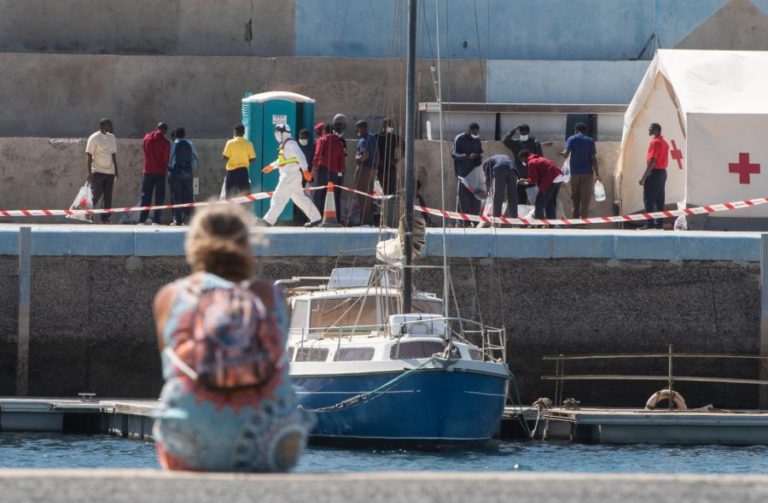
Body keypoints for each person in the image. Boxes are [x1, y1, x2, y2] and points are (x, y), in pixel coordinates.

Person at [151, 203, 313, 472]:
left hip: (188, 445)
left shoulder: (171, 297)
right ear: (248, 245)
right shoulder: (270, 296)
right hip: (271, 446)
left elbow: (170, 366)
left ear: (194, 245)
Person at [261, 124, 321, 227]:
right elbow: (283, 161)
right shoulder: (284, 144)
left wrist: (305, 170)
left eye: (278, 133)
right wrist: (271, 166)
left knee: (278, 197)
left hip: (289, 176)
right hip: (290, 175)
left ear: (283, 133)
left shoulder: (290, 143)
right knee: (300, 199)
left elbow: (301, 156)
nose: (276, 135)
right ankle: (316, 218)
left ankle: (267, 221)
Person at [562, 122, 600, 219]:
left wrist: (562, 153)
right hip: (587, 173)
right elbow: (593, 158)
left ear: (575, 130)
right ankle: (583, 222)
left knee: (575, 197)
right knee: (585, 199)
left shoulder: (572, 139)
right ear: (584, 131)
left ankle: (575, 222)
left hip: (574, 173)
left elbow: (566, 154)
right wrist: (597, 174)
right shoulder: (590, 140)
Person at [85, 118, 118, 224]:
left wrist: (116, 170)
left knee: (108, 196)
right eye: (109, 124)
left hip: (110, 172)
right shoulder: (94, 137)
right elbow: (89, 155)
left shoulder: (112, 137)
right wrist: (89, 172)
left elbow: (113, 154)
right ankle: (88, 214)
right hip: (97, 171)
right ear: (103, 125)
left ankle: (105, 218)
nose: (111, 126)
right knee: (96, 194)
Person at [639, 122, 670, 230]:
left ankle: (650, 223)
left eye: (651, 129)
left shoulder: (655, 142)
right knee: (660, 199)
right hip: (662, 173)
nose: (649, 131)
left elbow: (652, 160)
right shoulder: (665, 142)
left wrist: (644, 176)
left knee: (649, 199)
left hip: (655, 172)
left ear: (656, 130)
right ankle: (659, 224)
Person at [503, 124, 543, 205]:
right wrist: (514, 129)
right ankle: (521, 217)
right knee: (520, 201)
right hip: (519, 176)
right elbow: (505, 140)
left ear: (528, 132)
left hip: (531, 176)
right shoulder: (516, 143)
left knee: (533, 201)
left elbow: (540, 158)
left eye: (525, 133)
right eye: (522, 133)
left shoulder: (534, 142)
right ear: (519, 132)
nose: (523, 134)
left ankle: (532, 216)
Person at [518, 150, 564, 220]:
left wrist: (524, 181)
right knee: (550, 202)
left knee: (539, 202)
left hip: (550, 179)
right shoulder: (539, 158)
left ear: (524, 157)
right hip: (559, 177)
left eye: (521, 159)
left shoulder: (531, 162)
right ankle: (552, 223)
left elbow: (534, 179)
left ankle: (538, 223)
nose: (522, 162)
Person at [452, 122, 483, 224]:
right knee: (463, 200)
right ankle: (461, 222)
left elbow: (480, 153)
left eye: (477, 133)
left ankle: (474, 221)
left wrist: (477, 158)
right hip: (463, 175)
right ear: (469, 131)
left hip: (474, 175)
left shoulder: (477, 140)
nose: (476, 134)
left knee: (475, 200)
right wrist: (467, 156)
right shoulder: (459, 139)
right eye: (474, 132)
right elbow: (454, 155)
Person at [312, 123, 345, 219]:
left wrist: (314, 168)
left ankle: (316, 218)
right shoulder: (339, 143)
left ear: (324, 131)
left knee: (317, 194)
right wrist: (339, 171)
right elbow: (342, 160)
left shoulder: (322, 140)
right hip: (334, 172)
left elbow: (317, 155)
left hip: (322, 170)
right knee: (331, 195)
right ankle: (331, 219)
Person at [140, 123, 171, 225]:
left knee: (145, 196)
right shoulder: (165, 142)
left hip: (148, 171)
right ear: (165, 131)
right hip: (160, 173)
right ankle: (156, 220)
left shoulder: (147, 138)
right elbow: (166, 158)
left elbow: (144, 150)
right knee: (159, 197)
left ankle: (142, 219)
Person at [168, 127, 198, 226]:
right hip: (188, 173)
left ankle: (177, 220)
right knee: (188, 195)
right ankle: (188, 219)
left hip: (176, 173)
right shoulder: (190, 144)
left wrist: (171, 170)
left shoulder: (174, 144)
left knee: (177, 196)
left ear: (176, 135)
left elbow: (171, 159)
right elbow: (195, 159)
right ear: (184, 134)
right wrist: (189, 169)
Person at [351, 120, 378, 226]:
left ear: (361, 128)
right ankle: (369, 219)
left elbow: (365, 154)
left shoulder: (362, 140)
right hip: (372, 170)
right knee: (369, 195)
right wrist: (375, 167)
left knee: (362, 196)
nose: (356, 130)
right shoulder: (372, 137)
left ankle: (365, 221)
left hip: (364, 170)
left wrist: (357, 158)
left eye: (357, 128)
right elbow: (377, 153)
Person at [222, 124, 256, 198]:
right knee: (245, 195)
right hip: (243, 171)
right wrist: (245, 161)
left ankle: (231, 209)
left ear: (235, 132)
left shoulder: (230, 143)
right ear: (243, 133)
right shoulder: (249, 144)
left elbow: (225, 157)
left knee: (230, 195)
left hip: (232, 172)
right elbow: (253, 158)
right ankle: (245, 209)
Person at [483, 154, 520, 219]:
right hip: (512, 169)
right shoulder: (497, 158)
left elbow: (487, 178)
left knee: (499, 194)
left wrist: (487, 189)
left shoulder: (487, 163)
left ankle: (496, 216)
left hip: (500, 168)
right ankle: (514, 216)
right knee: (513, 194)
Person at [375, 117, 401, 196]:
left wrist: (398, 159)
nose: (391, 127)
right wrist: (377, 161)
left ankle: (389, 208)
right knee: (380, 194)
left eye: (391, 125)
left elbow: (405, 147)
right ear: (383, 125)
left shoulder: (394, 138)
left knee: (391, 194)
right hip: (380, 170)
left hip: (391, 170)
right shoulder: (376, 137)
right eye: (389, 125)